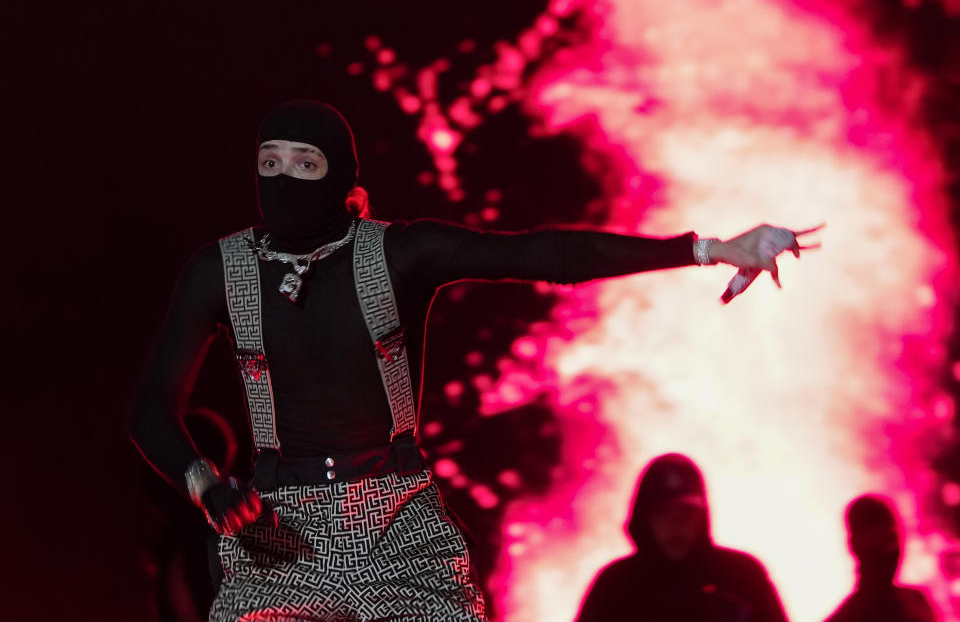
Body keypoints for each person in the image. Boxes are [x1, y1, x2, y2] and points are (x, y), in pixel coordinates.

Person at [130, 99, 816, 622]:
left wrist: (704, 249)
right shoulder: (221, 271)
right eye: (268, 163)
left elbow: (544, 255)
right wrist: (206, 483)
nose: (282, 179)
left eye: (304, 164)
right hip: (279, 528)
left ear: (341, 176)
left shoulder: (398, 253)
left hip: (396, 518)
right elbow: (151, 406)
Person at [577, 453, 789, 622]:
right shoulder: (614, 588)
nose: (676, 523)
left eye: (686, 511)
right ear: (645, 519)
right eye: (663, 512)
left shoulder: (743, 577)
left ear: (702, 516)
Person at [823, 494, 938, 622]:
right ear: (854, 545)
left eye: (892, 539)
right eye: (885, 541)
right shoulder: (915, 603)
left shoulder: (916, 601)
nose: (892, 552)